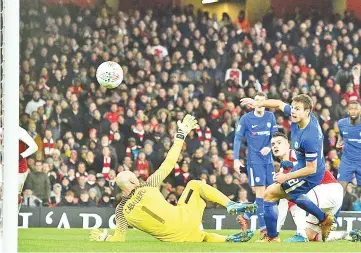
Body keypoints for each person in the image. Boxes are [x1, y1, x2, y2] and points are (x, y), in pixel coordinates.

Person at [90, 115, 257, 243]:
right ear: (133, 182)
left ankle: (229, 239)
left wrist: (106, 238)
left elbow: (119, 239)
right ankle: (231, 205)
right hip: (185, 218)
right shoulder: (147, 185)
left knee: (202, 236)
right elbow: (169, 162)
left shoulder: (121, 211)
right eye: (136, 177)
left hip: (177, 238)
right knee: (194, 184)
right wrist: (181, 134)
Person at [240, 94, 334, 242]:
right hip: (301, 166)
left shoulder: (311, 136)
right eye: (293, 108)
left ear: (307, 111)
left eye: (297, 109)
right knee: (294, 196)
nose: (293, 112)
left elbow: (311, 169)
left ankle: (272, 237)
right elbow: (278, 103)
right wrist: (258, 103)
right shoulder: (299, 117)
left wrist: (286, 177)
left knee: (269, 194)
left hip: (310, 175)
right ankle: (324, 219)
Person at [271, 132, 347, 242]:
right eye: (273, 144)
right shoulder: (283, 172)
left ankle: (301, 234)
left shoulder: (298, 154)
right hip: (322, 199)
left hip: (329, 189)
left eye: (279, 143)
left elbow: (311, 168)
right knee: (311, 235)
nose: (276, 146)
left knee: (293, 192)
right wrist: (275, 233)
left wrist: (292, 166)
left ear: (288, 144)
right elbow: (283, 203)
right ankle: (347, 235)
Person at [233, 92, 277, 235]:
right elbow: (238, 138)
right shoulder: (246, 118)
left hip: (269, 160)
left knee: (270, 195)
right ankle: (264, 229)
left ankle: (245, 216)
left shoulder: (270, 116)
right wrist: (235, 158)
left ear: (266, 102)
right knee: (260, 194)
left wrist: (269, 147)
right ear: (253, 103)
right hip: (254, 161)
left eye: (261, 100)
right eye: (256, 100)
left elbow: (275, 137)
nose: (259, 103)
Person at [336, 101, 361, 192]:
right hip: (347, 161)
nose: (353, 111)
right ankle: (339, 206)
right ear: (348, 111)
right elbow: (341, 136)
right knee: (340, 190)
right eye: (351, 109)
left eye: (356, 109)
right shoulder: (341, 123)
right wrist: (338, 143)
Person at [19, 126, 39, 210]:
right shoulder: (2, 130)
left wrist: (21, 156)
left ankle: (13, 217)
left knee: (15, 194)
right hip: (3, 166)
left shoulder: (19, 131)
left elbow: (34, 146)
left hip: (19, 169)